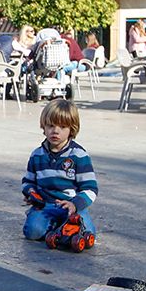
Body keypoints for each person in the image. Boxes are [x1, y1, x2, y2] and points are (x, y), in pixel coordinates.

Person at [21, 99, 97, 244]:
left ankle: (61, 227)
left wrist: (75, 204)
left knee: (87, 233)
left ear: (71, 129)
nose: (55, 131)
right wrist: (30, 192)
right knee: (32, 232)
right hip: (45, 205)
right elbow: (28, 181)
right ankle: (54, 227)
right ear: (43, 126)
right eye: (50, 126)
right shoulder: (37, 155)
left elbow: (90, 188)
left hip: (71, 205)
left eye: (62, 127)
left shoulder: (79, 155)